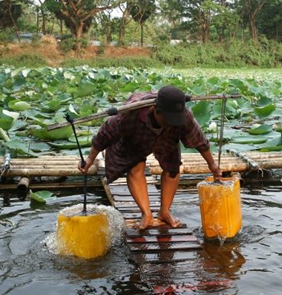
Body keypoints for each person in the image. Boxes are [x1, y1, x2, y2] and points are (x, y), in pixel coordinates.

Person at [78, 85, 221, 229]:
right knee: (135, 167)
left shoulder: (183, 117)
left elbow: (200, 141)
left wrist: (212, 165)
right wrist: (90, 159)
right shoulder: (129, 115)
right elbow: (104, 135)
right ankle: (146, 213)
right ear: (156, 111)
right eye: (167, 120)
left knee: (173, 168)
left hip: (167, 138)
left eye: (174, 120)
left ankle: (165, 212)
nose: (170, 123)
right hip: (136, 135)